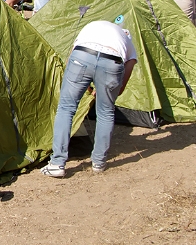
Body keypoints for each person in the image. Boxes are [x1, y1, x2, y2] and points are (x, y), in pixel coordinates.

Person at [41, 20, 138, 177]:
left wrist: (85, 86)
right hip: (112, 61)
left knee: (66, 108)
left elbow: (72, 55)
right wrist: (114, 89)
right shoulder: (126, 39)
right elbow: (129, 66)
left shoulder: (93, 26)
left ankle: (57, 163)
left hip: (82, 54)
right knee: (106, 112)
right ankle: (99, 162)